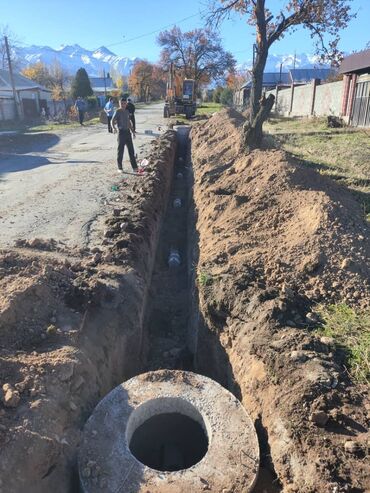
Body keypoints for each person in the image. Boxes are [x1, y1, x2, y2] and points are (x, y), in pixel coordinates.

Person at [112, 97, 138, 173]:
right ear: (119, 104)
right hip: (121, 133)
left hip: (128, 133)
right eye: (121, 103)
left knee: (131, 151)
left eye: (124, 103)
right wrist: (113, 128)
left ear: (126, 104)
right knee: (120, 151)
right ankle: (120, 168)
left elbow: (129, 122)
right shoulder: (117, 111)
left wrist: (133, 131)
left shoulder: (127, 111)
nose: (123, 105)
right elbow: (112, 120)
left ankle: (135, 167)